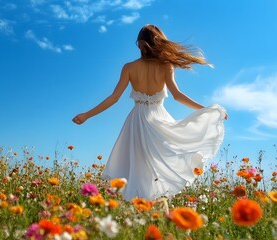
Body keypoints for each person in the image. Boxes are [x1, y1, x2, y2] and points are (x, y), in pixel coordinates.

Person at [73, 24, 227, 201]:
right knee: (159, 163)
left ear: (139, 44)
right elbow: (177, 96)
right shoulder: (166, 66)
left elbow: (114, 98)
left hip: (137, 120)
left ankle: (141, 208)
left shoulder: (129, 67)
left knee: (138, 169)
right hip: (158, 120)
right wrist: (206, 110)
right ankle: (151, 209)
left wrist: (86, 115)